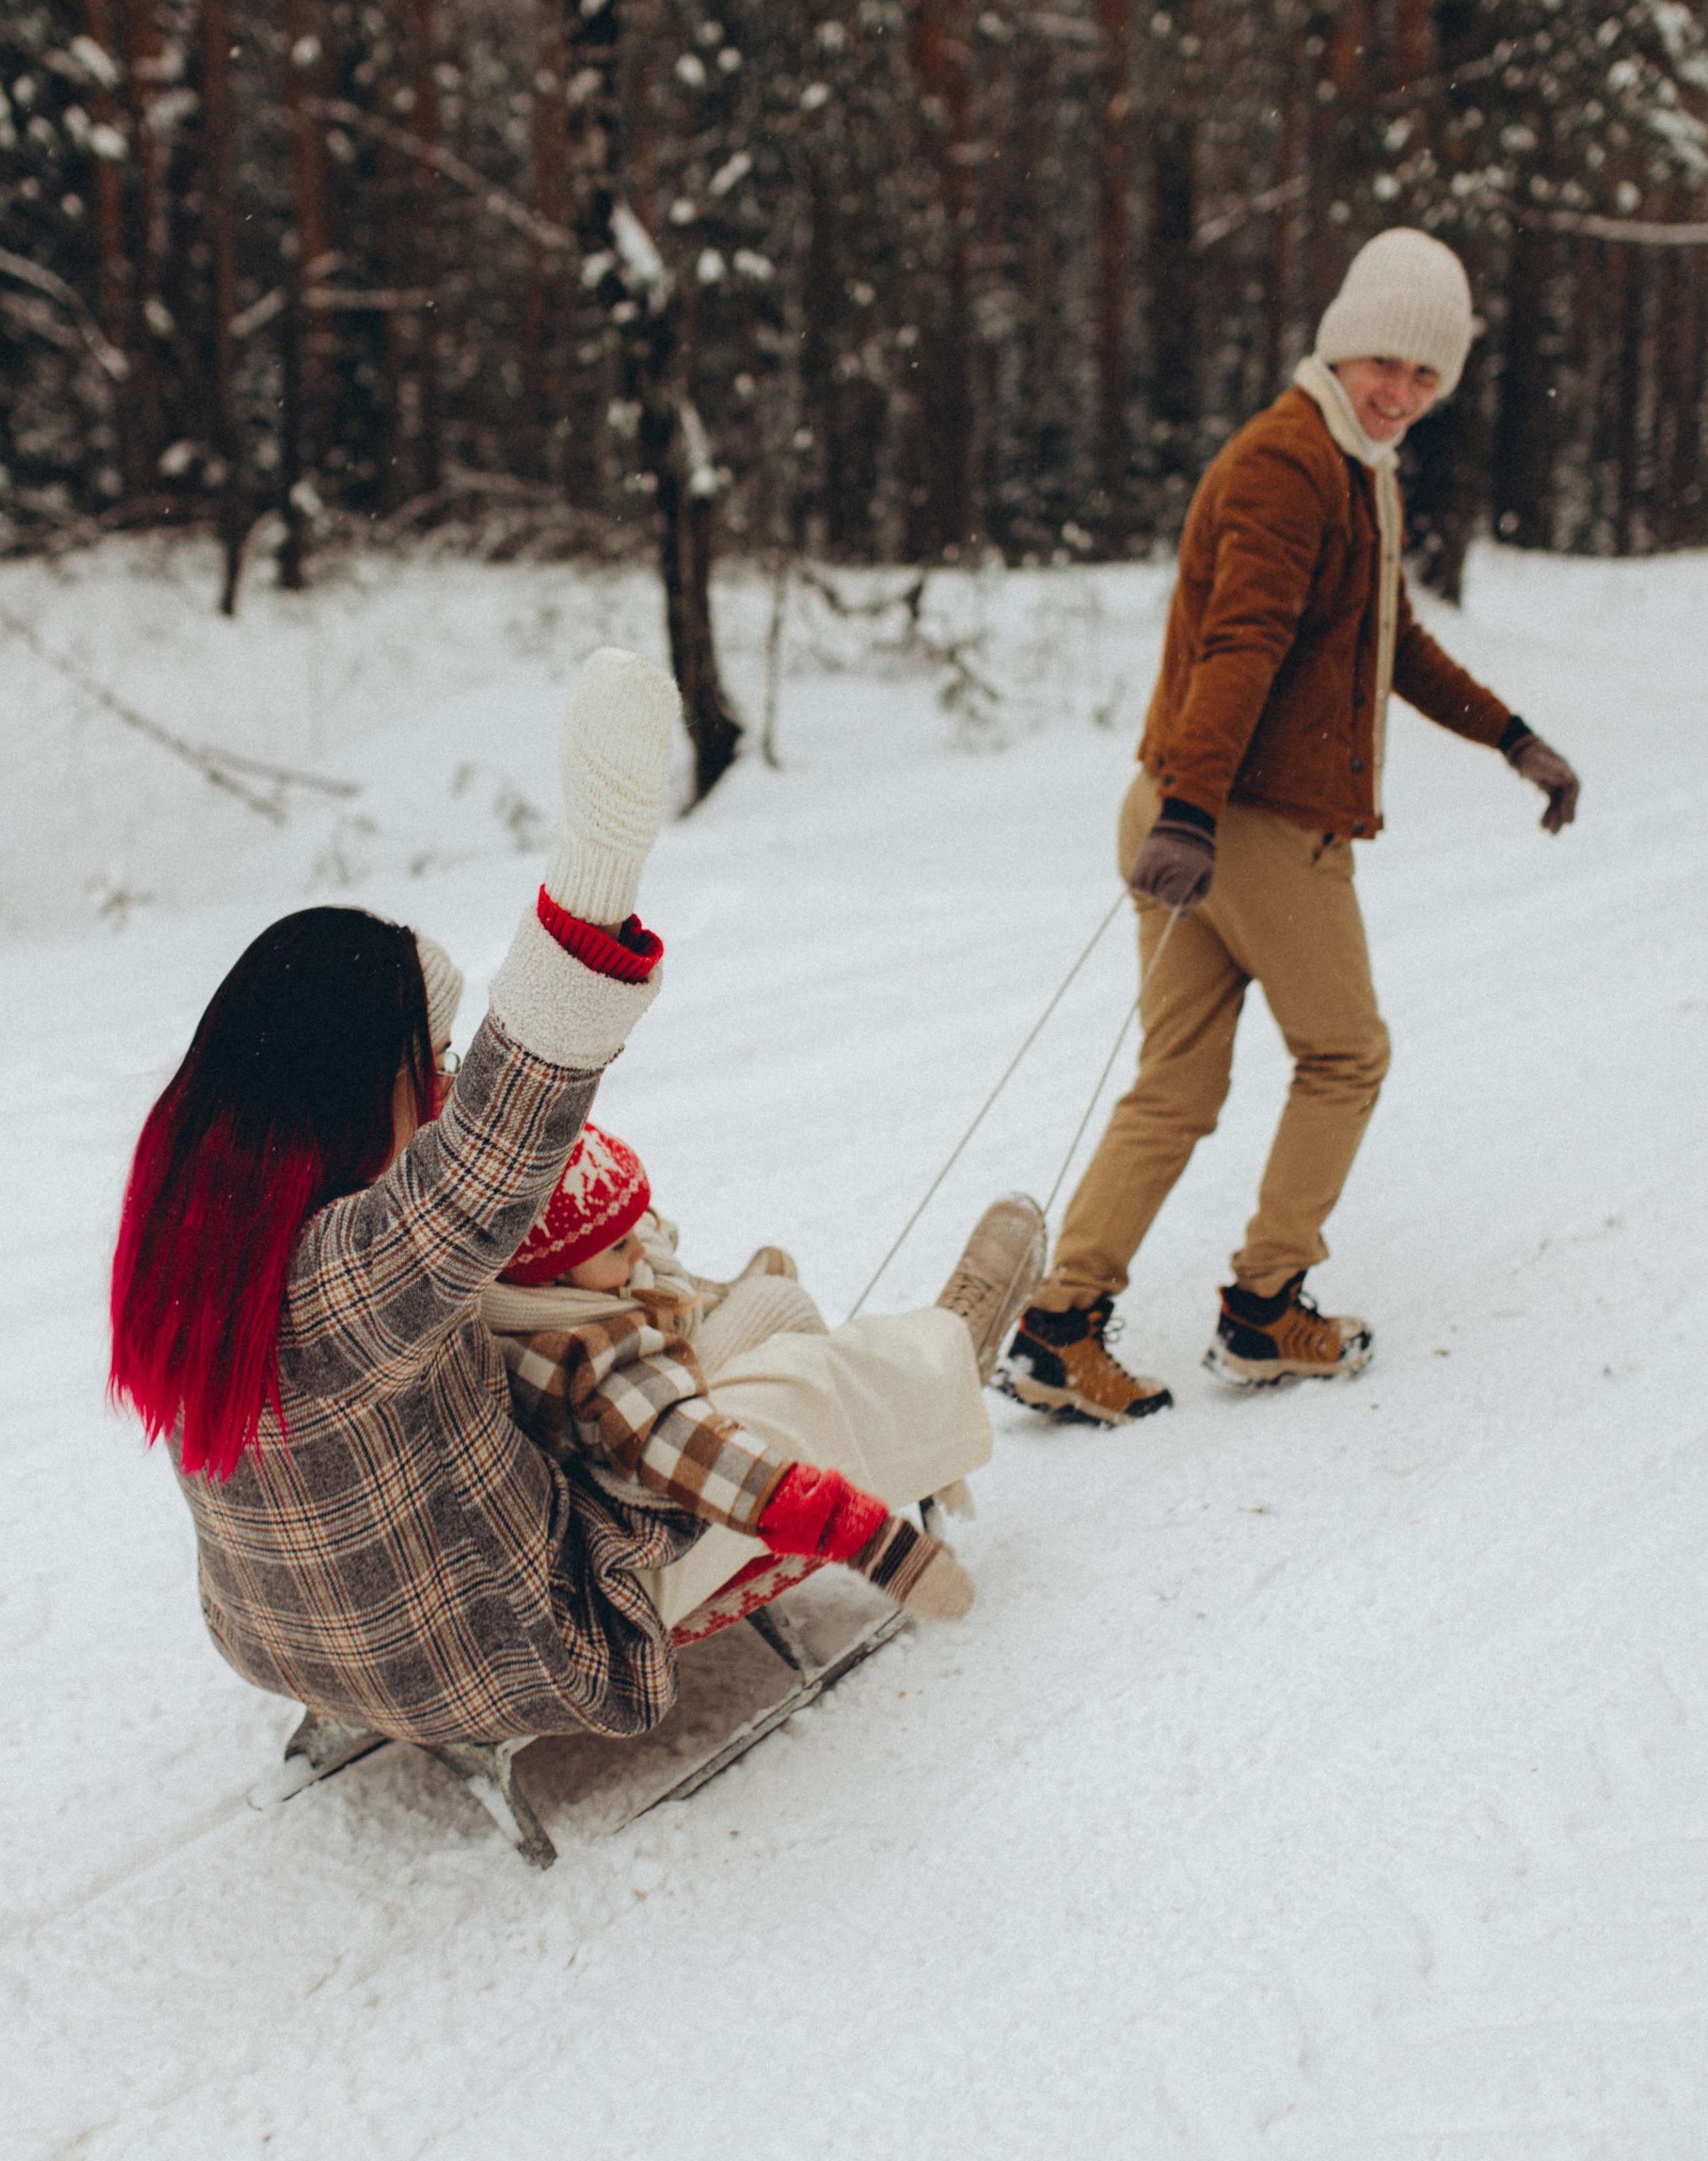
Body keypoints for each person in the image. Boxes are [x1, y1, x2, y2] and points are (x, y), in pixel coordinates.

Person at [107, 650, 1009, 1754]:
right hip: (515, 1651)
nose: (446, 1090)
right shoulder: (351, 1271)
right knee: (796, 1381)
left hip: (284, 1639)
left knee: (713, 1327)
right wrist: (602, 860)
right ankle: (953, 1346)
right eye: (431, 1061)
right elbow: (504, 1131)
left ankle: (781, 1325)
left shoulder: (192, 1232)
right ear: (357, 1087)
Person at [1004, 228, 1581, 1424]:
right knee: (1347, 1054)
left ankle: (1060, 1329)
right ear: (1342, 341)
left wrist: (1510, 733)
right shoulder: (1289, 465)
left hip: (1198, 815)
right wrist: (1194, 811)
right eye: (1387, 362)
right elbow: (1242, 649)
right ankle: (1268, 1308)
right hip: (1242, 826)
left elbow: (1392, 641)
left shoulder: (1351, 460)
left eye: (1427, 378)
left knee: (1175, 1081)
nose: (1402, 392)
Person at [475, 1118, 1046, 1630]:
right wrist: (873, 1541)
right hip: (621, 1530)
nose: (637, 1256)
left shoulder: (513, 1294)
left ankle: (734, 1309)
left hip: (592, 1466)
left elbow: (614, 1250)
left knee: (778, 1303)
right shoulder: (594, 1365)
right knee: (798, 1360)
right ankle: (944, 1362)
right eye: (619, 1247)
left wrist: (641, 1261)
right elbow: (712, 1459)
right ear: (548, 1277)